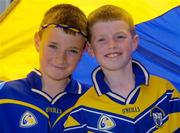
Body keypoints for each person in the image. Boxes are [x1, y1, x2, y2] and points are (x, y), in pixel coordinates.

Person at [63, 5, 180, 133]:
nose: (112, 45)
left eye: (120, 37)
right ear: (90, 50)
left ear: (134, 42)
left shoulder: (165, 92)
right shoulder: (81, 112)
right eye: (102, 39)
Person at [0, 4, 88, 133]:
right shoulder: (5, 95)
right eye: (53, 46)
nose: (60, 59)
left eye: (72, 51)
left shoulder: (92, 100)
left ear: (83, 52)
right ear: (37, 42)